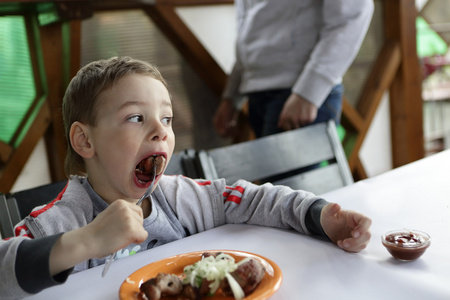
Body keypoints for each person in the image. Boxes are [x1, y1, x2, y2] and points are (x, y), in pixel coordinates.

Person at [0, 56, 371, 299]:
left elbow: (252, 198)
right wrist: (84, 242)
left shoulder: (178, 198)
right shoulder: (65, 219)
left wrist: (320, 215)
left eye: (166, 118)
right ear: (85, 140)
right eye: (135, 117)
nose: (160, 131)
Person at [214, 0, 374, 138]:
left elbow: (351, 17)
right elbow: (247, 33)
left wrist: (308, 94)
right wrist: (232, 97)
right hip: (257, 96)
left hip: (297, 95)